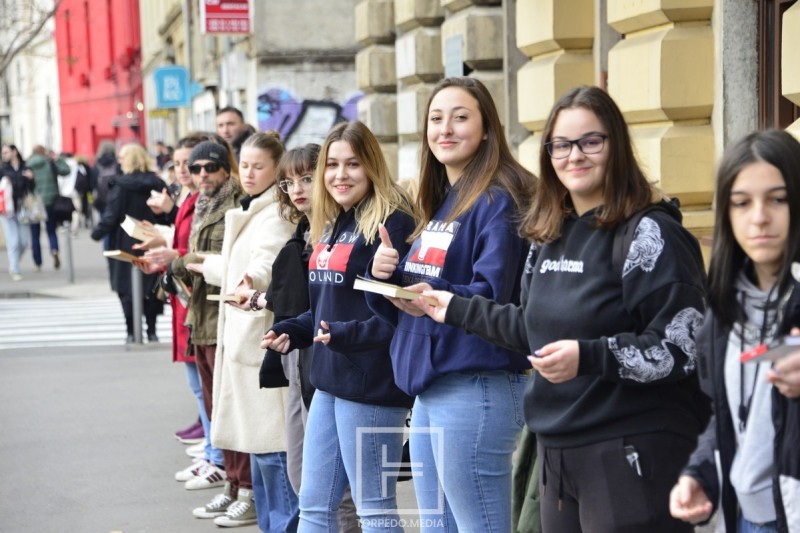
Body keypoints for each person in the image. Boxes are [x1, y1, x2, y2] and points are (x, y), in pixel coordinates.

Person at [422, 86, 709, 532]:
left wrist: (588, 357)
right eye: (560, 145)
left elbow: (681, 347)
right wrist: (453, 308)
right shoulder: (550, 232)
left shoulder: (650, 234)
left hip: (631, 451)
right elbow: (530, 326)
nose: (574, 155)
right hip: (557, 453)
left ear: (616, 146)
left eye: (590, 141)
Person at [366, 76, 535, 532]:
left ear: (487, 129)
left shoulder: (497, 200)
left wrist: (432, 297)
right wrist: (390, 278)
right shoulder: (441, 202)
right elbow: (419, 302)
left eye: (461, 117)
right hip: (431, 390)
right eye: (436, 119)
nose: (446, 129)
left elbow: (492, 295)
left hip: (476, 385)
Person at [261, 120, 417, 532]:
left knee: (375, 508)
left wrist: (346, 334)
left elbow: (401, 313)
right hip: (328, 379)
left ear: (372, 167)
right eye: (332, 164)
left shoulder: (392, 223)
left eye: (352, 164)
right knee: (313, 505)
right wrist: (293, 330)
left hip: (371, 384)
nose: (340, 175)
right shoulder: (334, 221)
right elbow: (328, 306)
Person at [669, 129, 800, 533]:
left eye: (777, 199)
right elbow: (727, 415)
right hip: (745, 517)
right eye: (741, 203)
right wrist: (700, 473)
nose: (759, 216)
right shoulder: (724, 308)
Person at [187, 131, 298, 530]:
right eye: (245, 165)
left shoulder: (275, 213)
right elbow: (246, 266)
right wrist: (215, 267)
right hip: (247, 344)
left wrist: (249, 278)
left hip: (260, 348)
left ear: (275, 168)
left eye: (258, 166)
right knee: (263, 454)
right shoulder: (255, 208)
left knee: (273, 454)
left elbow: (268, 264)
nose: (249, 173)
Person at [168, 140, 242, 508]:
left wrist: (179, 261)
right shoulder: (201, 203)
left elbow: (227, 259)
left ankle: (240, 486)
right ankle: (230, 481)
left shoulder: (235, 204)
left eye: (209, 168)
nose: (201, 175)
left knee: (227, 409)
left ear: (226, 169)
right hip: (201, 316)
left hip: (222, 317)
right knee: (213, 407)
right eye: (195, 169)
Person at [90, 143, 166, 343]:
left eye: (123, 158)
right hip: (153, 238)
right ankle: (151, 329)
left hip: (125, 241)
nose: (119, 161)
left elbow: (112, 215)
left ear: (130, 160)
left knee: (126, 288)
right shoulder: (157, 183)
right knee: (151, 286)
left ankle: (132, 331)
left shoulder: (121, 185)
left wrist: (97, 233)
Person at [27, 145, 70, 271]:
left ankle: (37, 263)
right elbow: (66, 171)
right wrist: (58, 159)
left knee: (35, 234)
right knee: (51, 230)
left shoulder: (28, 165)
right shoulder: (49, 163)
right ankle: (54, 249)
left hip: (34, 203)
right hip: (50, 201)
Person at [1, 144, 35, 280]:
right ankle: (15, 269)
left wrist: (31, 179)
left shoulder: (25, 167)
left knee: (24, 242)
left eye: (6, 152)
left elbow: (32, 189)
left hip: (22, 209)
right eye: (2, 153)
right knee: (12, 241)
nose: (4, 155)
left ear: (14, 152)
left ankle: (15, 261)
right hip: (6, 211)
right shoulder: (3, 169)